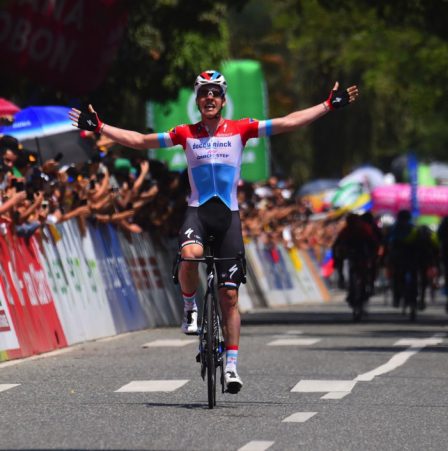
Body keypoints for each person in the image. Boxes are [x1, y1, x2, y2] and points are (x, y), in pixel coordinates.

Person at [70, 70, 359, 393]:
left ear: (223, 100)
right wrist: (100, 127)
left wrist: (327, 106)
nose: (209, 98)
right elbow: (140, 141)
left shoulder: (241, 128)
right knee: (190, 255)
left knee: (230, 296)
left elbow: (288, 122)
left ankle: (232, 366)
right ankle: (190, 307)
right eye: (204, 93)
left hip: (228, 217)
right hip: (197, 212)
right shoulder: (185, 133)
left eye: (215, 93)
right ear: (197, 100)